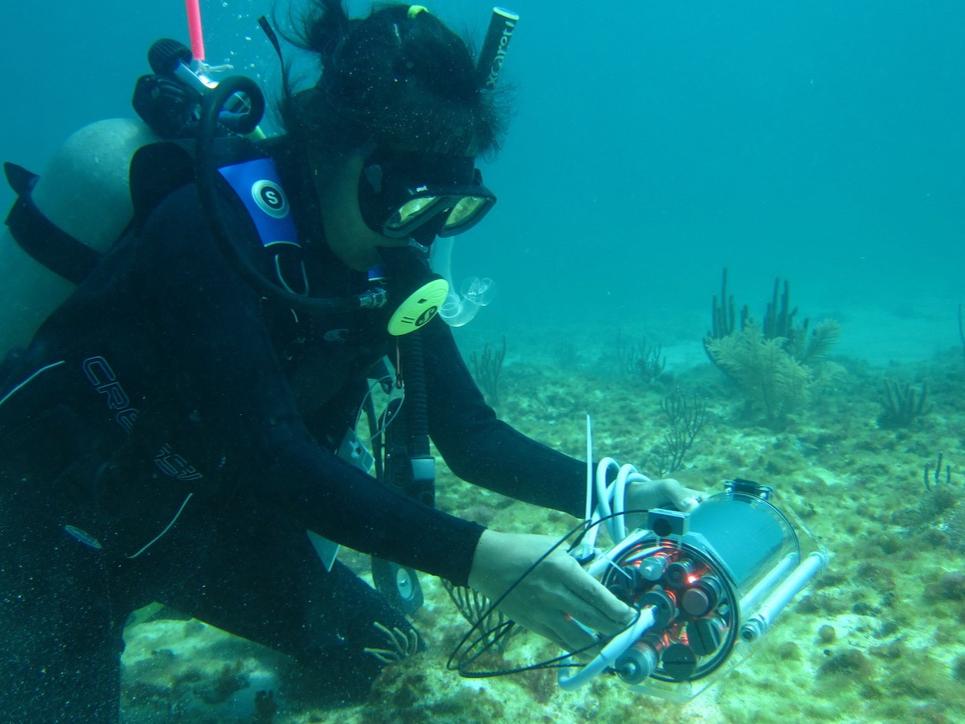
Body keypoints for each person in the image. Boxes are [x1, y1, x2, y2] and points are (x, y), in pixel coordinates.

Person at [0, 1, 696, 720]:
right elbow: (268, 449)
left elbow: (471, 436)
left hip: (193, 526)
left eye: (444, 210)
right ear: (336, 150)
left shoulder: (380, 269)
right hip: (50, 528)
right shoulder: (209, 227)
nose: (415, 237)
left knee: (377, 652)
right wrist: (477, 555)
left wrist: (619, 491)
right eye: (403, 205)